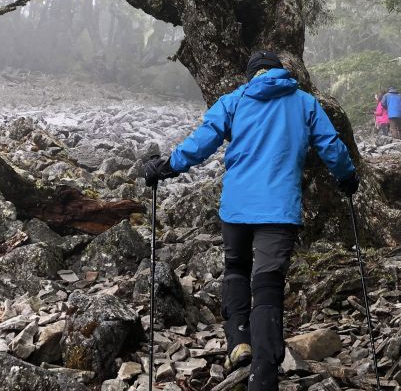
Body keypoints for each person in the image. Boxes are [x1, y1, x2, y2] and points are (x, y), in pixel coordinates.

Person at [141, 50, 359, 391]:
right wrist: (347, 177)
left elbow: (203, 141)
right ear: (279, 72)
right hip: (280, 209)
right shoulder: (303, 102)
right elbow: (331, 145)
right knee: (268, 285)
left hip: (237, 207)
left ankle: (239, 340)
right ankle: (263, 376)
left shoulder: (235, 99)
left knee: (237, 268)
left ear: (252, 74)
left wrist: (167, 166)